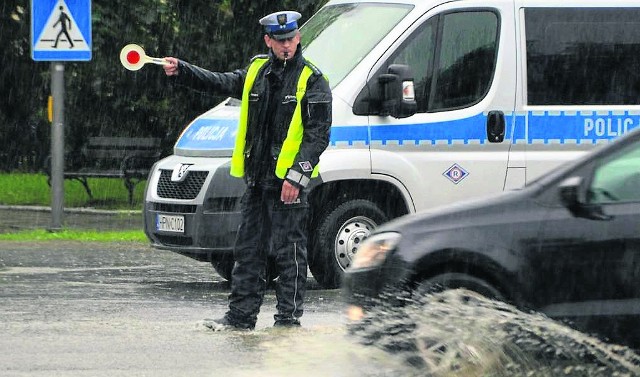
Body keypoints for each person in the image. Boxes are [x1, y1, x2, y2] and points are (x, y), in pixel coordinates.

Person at [162, 10, 332, 330]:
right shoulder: (256, 70)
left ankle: (287, 321)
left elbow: (318, 135)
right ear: (268, 41)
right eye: (280, 40)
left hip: (288, 183)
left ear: (299, 38)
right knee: (248, 251)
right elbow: (221, 81)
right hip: (257, 181)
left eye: (292, 39)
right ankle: (240, 318)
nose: (287, 46)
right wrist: (183, 70)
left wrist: (296, 176)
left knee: (290, 253)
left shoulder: (313, 79)